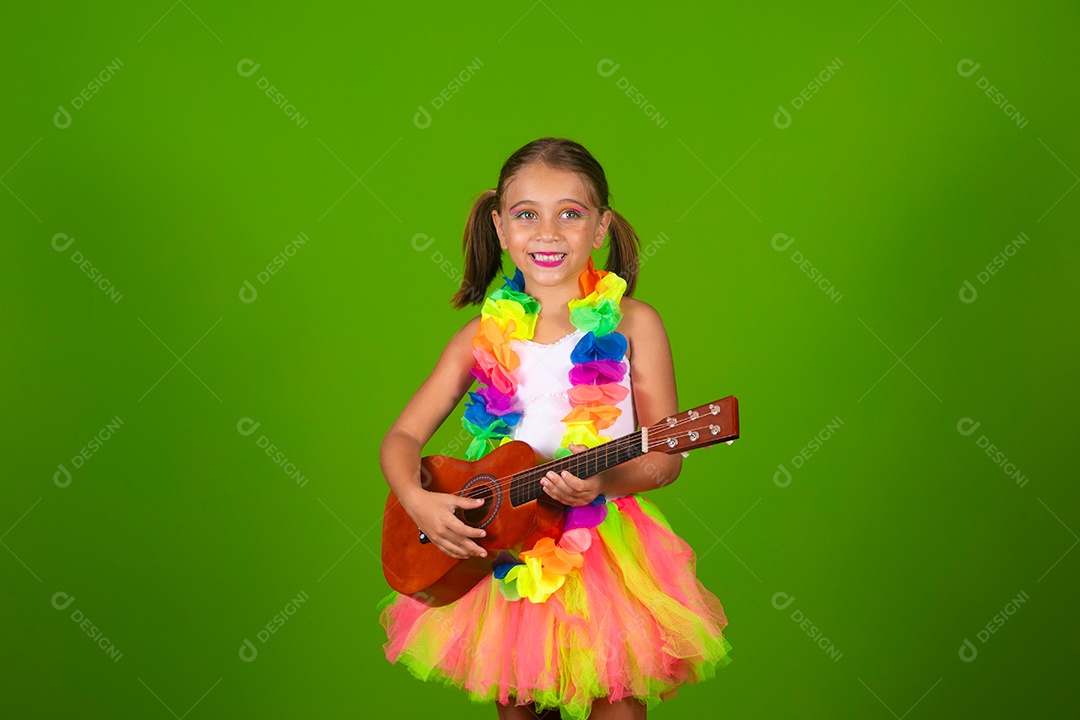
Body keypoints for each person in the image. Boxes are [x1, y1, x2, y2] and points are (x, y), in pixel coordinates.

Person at [378, 137, 732, 720]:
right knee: (519, 707)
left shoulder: (635, 323)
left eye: (571, 213)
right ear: (500, 228)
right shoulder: (479, 338)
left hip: (602, 551)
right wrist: (418, 501)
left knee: (615, 705)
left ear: (600, 228)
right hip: (504, 547)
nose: (547, 233)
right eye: (526, 214)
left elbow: (665, 457)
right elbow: (401, 440)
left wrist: (605, 481)